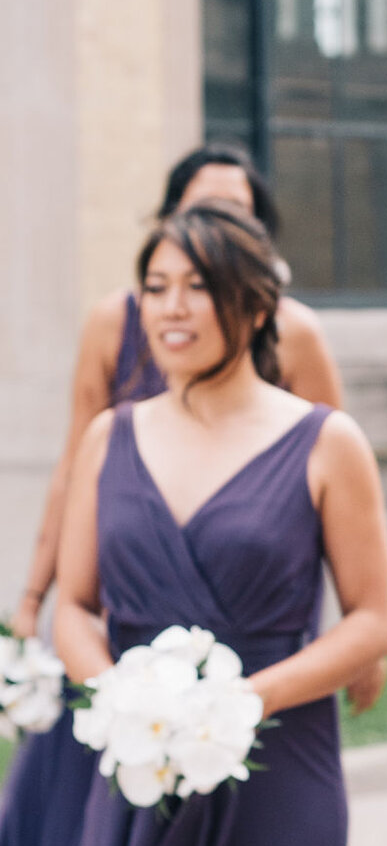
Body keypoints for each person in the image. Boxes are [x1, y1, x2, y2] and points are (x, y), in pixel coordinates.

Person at [3, 203, 387, 846]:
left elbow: (370, 620)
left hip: (278, 769)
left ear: (254, 303)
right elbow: (80, 607)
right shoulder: (111, 435)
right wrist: (126, 701)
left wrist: (237, 705)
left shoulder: (322, 441)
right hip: (137, 765)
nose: (171, 310)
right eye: (155, 288)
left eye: (197, 288)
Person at [10, 143, 343, 640]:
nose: (217, 222)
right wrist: (35, 596)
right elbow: (74, 467)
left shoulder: (295, 333)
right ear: (171, 218)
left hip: (253, 593)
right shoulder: (115, 325)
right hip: (136, 578)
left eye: (236, 211)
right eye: (203, 208)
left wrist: (358, 632)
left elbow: (332, 489)